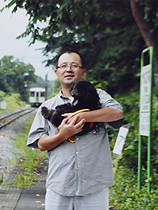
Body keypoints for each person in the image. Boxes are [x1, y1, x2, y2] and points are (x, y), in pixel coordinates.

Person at [27, 51, 123, 210]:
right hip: (59, 185)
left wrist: (82, 116)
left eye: (74, 66)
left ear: (83, 72)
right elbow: (40, 143)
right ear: (57, 73)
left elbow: (117, 113)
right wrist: (62, 135)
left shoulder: (98, 96)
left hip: (95, 187)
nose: (68, 69)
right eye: (63, 66)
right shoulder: (48, 107)